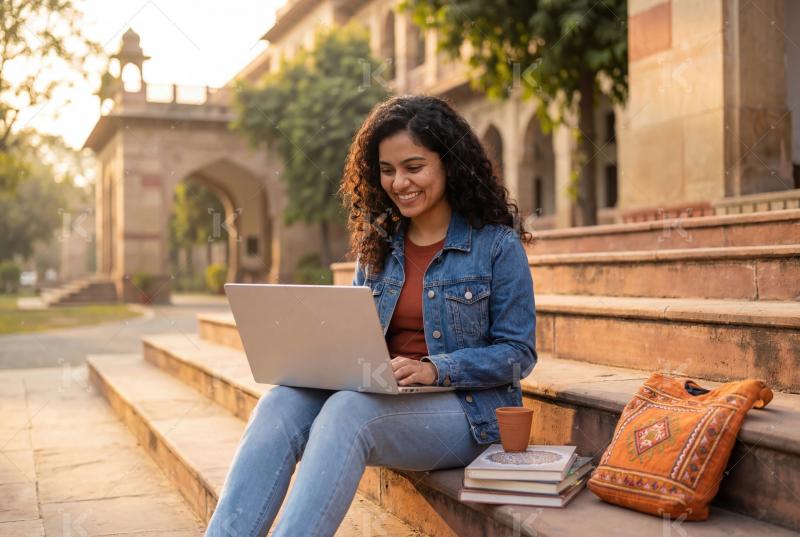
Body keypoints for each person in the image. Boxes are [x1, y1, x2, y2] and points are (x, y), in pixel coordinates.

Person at [205, 94, 537, 537]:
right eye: (387, 170)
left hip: (468, 412)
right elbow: (356, 332)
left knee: (347, 411)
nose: (399, 183)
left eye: (414, 167)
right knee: (279, 404)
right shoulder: (380, 246)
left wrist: (433, 369)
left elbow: (519, 353)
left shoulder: (497, 246)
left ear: (450, 163)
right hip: (384, 396)